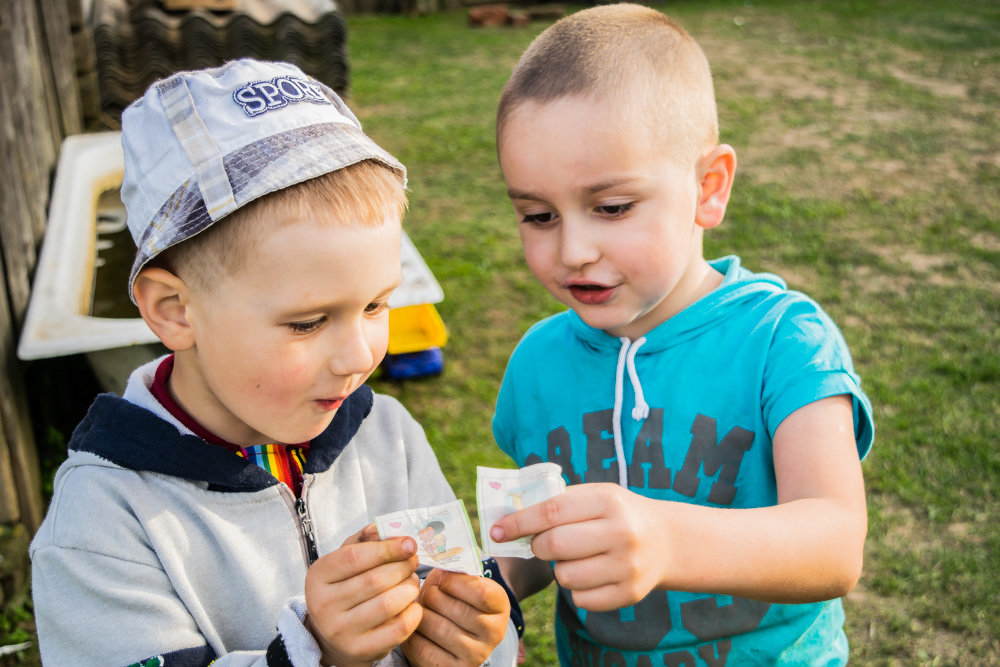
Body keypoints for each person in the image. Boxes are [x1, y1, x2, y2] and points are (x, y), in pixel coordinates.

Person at [30, 59, 520, 666]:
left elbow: (477, 621)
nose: (360, 355)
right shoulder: (104, 520)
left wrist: (475, 644)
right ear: (175, 310)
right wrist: (311, 655)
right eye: (308, 322)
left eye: (376, 305)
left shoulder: (387, 436)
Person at [487, 4, 874, 665]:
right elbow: (531, 540)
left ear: (708, 187)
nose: (573, 249)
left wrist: (666, 539)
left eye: (611, 208)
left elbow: (835, 542)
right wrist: (490, 590)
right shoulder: (536, 364)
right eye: (538, 214)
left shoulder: (783, 340)